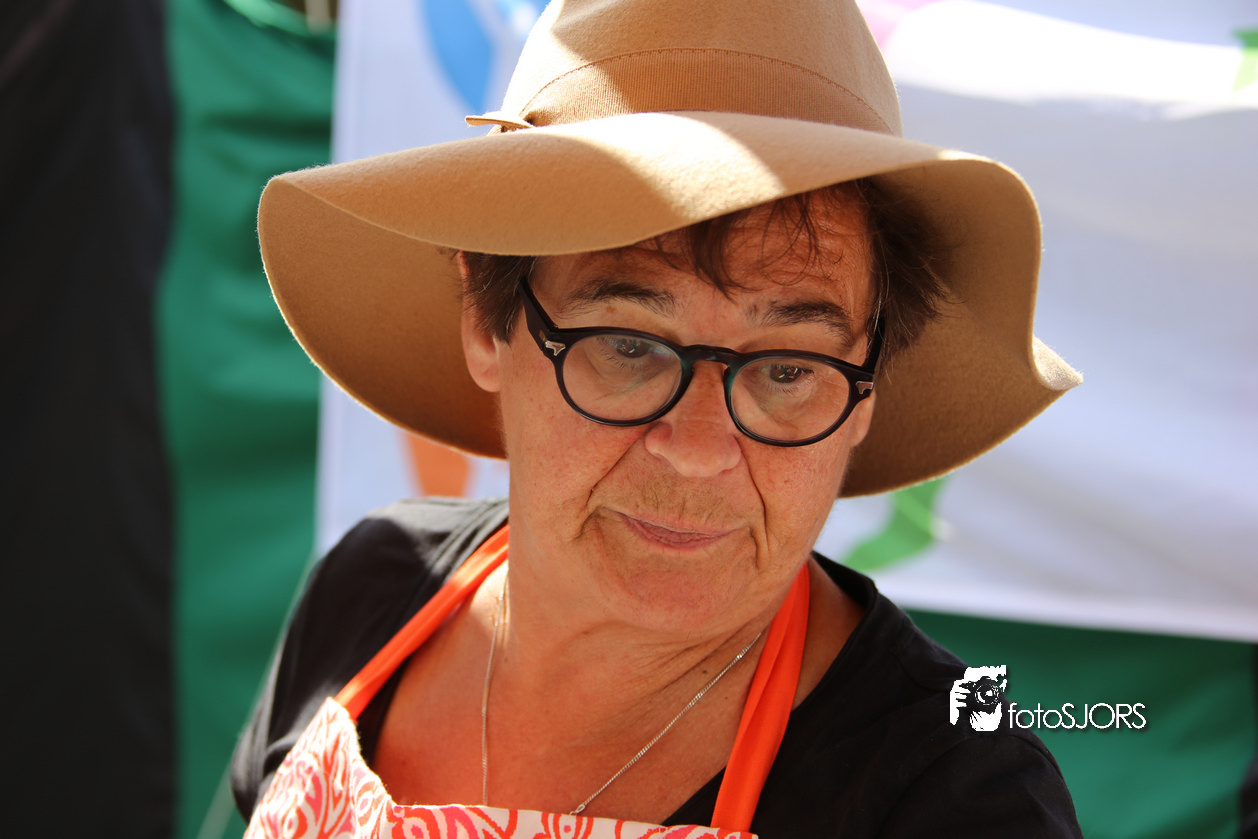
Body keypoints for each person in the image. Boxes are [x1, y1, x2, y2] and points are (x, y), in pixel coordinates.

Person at [231, 0, 1084, 835]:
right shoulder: (374, 586)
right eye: (631, 346)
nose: (702, 449)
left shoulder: (955, 793)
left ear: (866, 389)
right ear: (487, 321)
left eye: (789, 368)